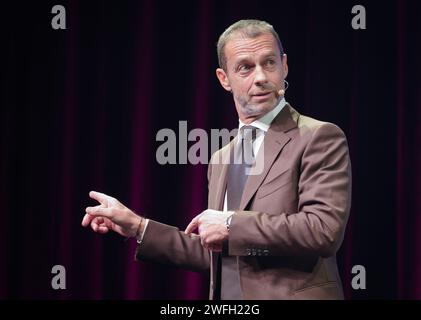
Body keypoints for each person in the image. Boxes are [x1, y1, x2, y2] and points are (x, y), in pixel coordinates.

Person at [82, 19, 351, 300]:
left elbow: (323, 230)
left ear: (284, 66)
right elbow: (220, 254)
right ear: (224, 79)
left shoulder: (318, 136)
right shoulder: (222, 157)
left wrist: (231, 225)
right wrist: (137, 226)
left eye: (269, 63)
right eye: (245, 67)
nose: (260, 77)